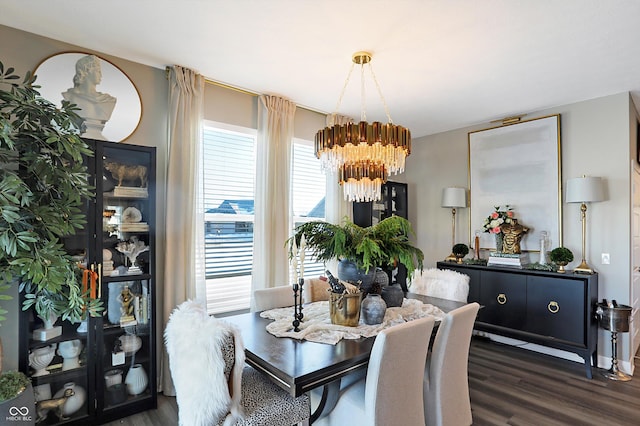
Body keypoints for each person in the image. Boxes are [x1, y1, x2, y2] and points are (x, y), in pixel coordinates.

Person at [61, 55, 117, 140]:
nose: (101, 75)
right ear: (86, 71)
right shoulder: (69, 97)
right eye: (98, 71)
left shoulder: (108, 100)